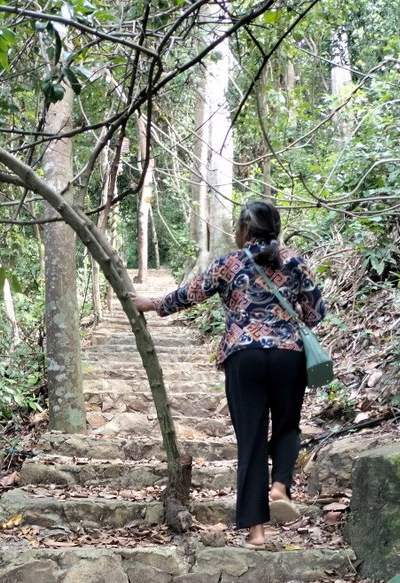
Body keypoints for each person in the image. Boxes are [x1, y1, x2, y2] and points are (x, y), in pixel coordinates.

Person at [131, 199, 326, 549]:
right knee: (287, 426)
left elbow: (191, 294)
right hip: (288, 356)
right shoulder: (297, 261)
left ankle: (256, 533)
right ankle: (280, 486)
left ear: (245, 229)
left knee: (250, 441)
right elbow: (314, 315)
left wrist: (153, 304)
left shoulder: (229, 263)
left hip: (243, 357)